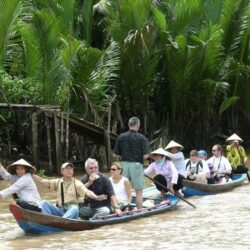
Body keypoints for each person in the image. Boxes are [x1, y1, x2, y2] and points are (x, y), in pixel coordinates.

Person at [33, 162, 105, 219]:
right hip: (60, 209)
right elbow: (42, 181)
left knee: (75, 208)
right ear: (62, 171)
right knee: (44, 203)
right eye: (66, 169)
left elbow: (87, 192)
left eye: (70, 169)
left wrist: (96, 197)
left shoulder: (76, 183)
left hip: (71, 211)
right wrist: (32, 174)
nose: (69, 170)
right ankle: (48, 220)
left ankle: (61, 222)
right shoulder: (58, 182)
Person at [113, 117, 150, 209]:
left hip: (123, 165)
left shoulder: (121, 136)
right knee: (138, 191)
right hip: (136, 165)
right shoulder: (142, 138)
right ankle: (139, 211)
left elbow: (115, 153)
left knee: (124, 189)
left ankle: (123, 208)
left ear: (129, 125)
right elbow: (146, 156)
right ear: (138, 125)